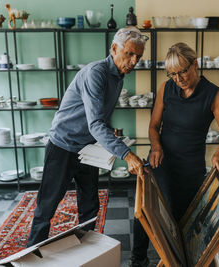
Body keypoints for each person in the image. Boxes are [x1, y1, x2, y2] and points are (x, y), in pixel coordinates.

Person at [28, 27, 148, 246]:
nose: (134, 61)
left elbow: (99, 118)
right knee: (47, 207)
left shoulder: (118, 77)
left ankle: (85, 253)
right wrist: (127, 155)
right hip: (63, 145)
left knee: (90, 206)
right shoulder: (96, 72)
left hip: (87, 148)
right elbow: (94, 124)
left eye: (138, 56)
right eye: (129, 54)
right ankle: (28, 258)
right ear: (114, 48)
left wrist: (109, 134)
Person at [130, 42, 219, 266]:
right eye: (173, 74)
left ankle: (176, 260)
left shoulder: (213, 94)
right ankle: (138, 260)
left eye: (182, 72)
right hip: (161, 161)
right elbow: (153, 126)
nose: (178, 79)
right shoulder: (166, 89)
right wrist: (156, 147)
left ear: (195, 64)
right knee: (146, 210)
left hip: (191, 167)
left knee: (180, 220)